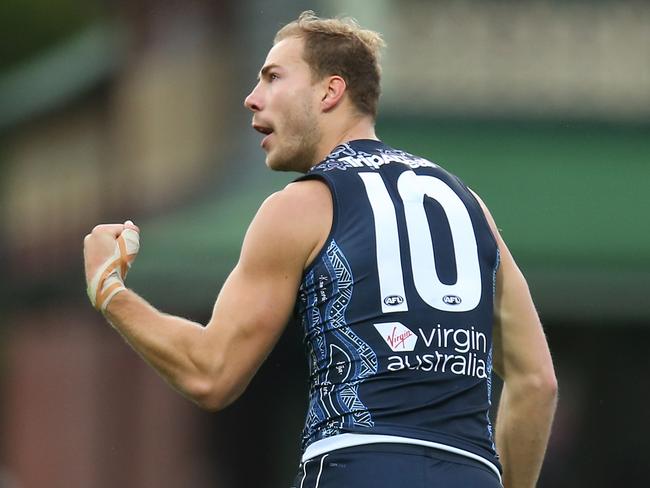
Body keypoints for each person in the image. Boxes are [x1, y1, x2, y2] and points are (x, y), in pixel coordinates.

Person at [83, 11, 557, 488]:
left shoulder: (304, 205)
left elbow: (211, 372)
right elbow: (537, 383)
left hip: (358, 466)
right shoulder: (468, 205)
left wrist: (110, 290)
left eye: (273, 77)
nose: (252, 98)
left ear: (330, 92)